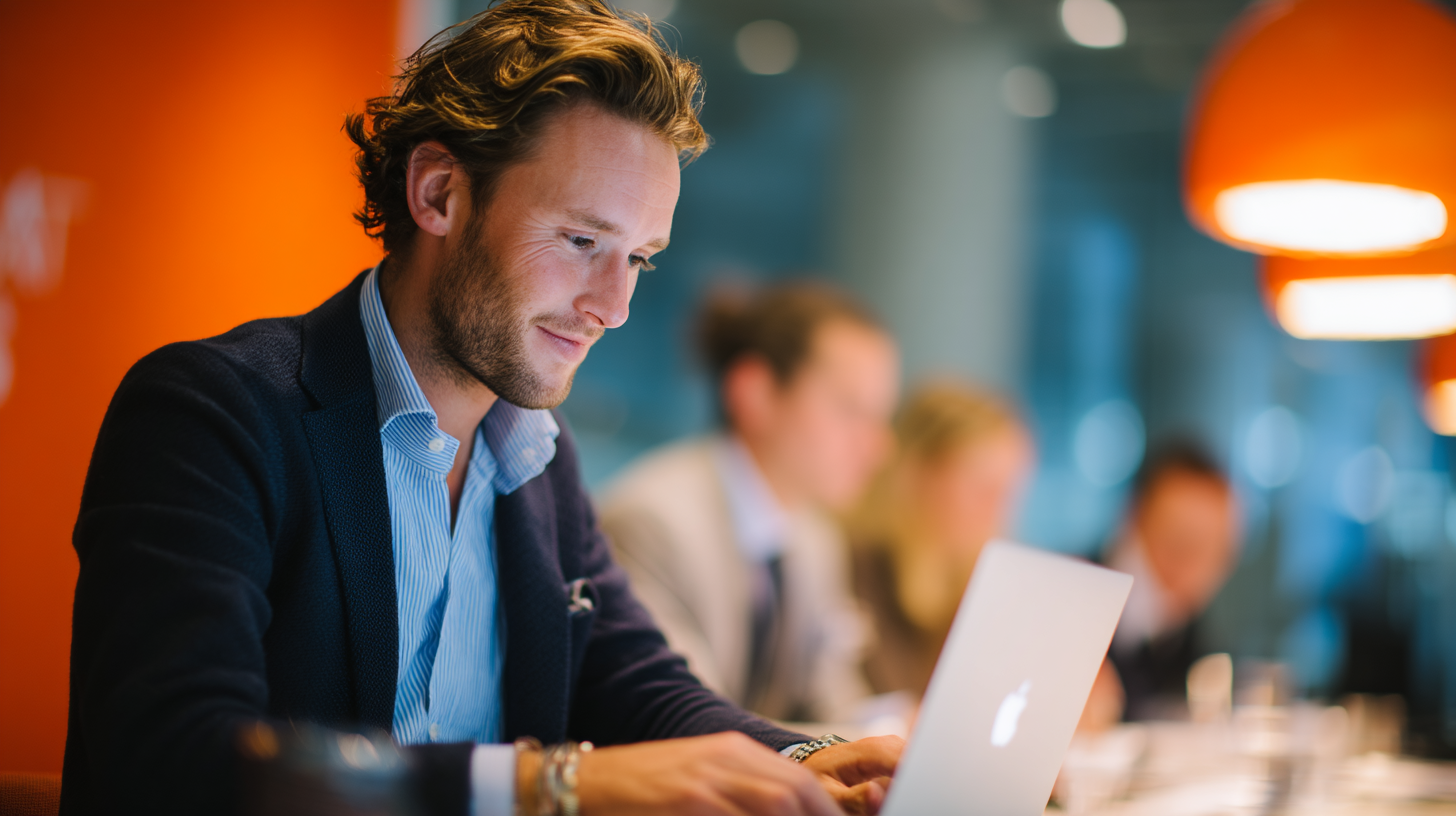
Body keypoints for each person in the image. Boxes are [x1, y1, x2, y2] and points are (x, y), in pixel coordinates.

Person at [59, 3, 901, 814]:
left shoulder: (537, 457)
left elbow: (634, 683)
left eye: (639, 259)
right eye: (582, 241)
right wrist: (551, 789)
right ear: (438, 194)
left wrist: (811, 758)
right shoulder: (213, 414)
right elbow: (174, 759)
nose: (614, 307)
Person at [598, 284, 899, 726]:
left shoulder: (816, 538)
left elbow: (829, 699)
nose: (878, 446)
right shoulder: (653, 523)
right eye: (851, 409)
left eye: (881, 417)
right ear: (754, 393)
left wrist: (892, 729)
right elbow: (689, 719)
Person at [846, 382, 1035, 701]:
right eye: (980, 484)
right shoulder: (848, 569)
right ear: (915, 474)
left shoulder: (980, 590)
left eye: (1008, 489)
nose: (997, 507)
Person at [1101, 439, 1240, 721]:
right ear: (1135, 517)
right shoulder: (1072, 595)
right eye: (1178, 537)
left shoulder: (1193, 637)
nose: (1195, 564)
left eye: (1213, 547)